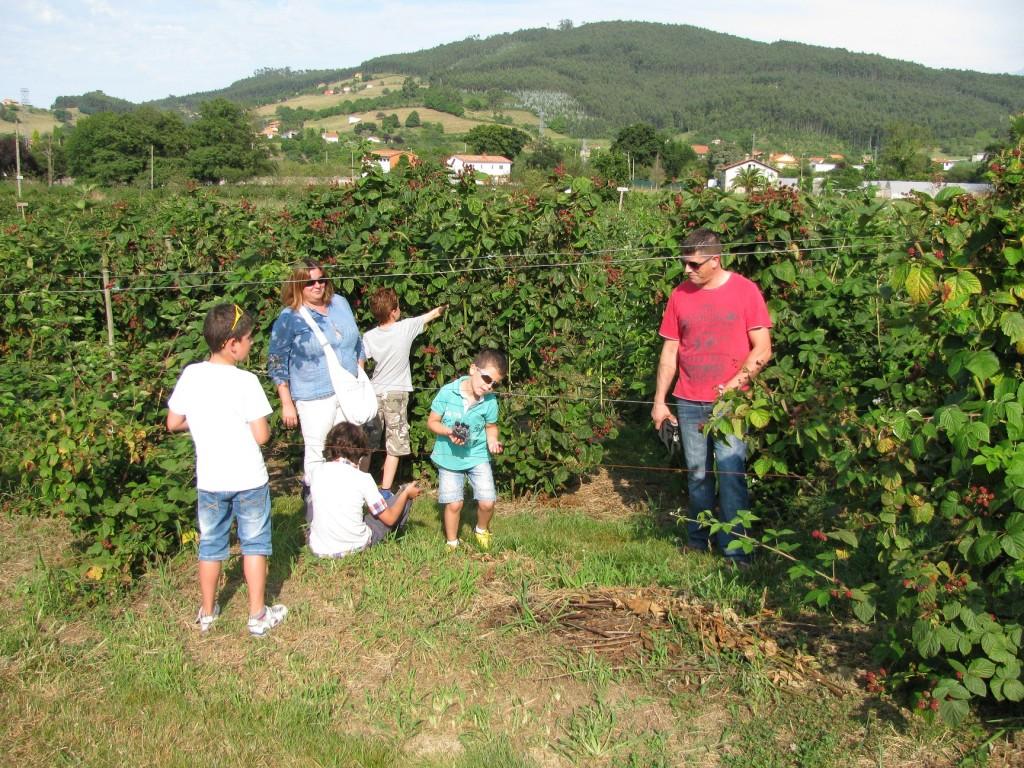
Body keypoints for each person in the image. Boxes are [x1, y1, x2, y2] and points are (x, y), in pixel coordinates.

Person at [651, 229, 772, 566]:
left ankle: (736, 551)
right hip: (688, 401)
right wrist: (660, 400)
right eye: (684, 263)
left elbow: (763, 349)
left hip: (731, 405)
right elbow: (670, 351)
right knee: (697, 473)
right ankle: (697, 542)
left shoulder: (746, 292)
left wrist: (734, 386)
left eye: (693, 264)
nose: (687, 270)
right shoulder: (680, 295)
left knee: (731, 474)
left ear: (715, 260)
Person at [167, 303, 288, 636]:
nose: (251, 344)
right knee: (255, 545)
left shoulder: (191, 374)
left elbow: (173, 421)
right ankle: (257, 614)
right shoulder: (246, 381)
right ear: (232, 343)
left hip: (211, 479)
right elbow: (261, 435)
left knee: (211, 544)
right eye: (248, 338)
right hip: (249, 478)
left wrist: (205, 422)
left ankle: (207, 612)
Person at [268, 261, 368, 494]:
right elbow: (277, 359)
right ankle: (316, 507)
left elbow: (357, 342)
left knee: (349, 451)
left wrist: (359, 371)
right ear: (297, 285)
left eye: (321, 279)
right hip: (314, 394)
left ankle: (346, 503)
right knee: (318, 452)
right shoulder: (289, 317)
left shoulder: (340, 303)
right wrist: (286, 402)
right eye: (309, 282)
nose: (317, 285)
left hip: (348, 391)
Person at [362, 286, 446, 491]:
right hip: (396, 394)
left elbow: (360, 363)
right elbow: (431, 315)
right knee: (395, 445)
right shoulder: (405, 327)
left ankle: (358, 483)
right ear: (393, 312)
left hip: (373, 393)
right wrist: (444, 306)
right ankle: (385, 489)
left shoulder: (369, 336)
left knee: (366, 444)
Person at [427, 349, 507, 550]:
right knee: (454, 504)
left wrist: (492, 441)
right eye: (487, 378)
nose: (488, 386)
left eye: (494, 383)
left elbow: (491, 426)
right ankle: (452, 542)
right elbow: (432, 422)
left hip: (477, 455)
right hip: (449, 457)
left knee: (487, 502)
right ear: (473, 369)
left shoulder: (489, 401)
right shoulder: (448, 391)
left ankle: (481, 530)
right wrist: (448, 432)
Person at [308, 422, 422, 558]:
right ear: (360, 451)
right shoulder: (363, 478)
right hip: (355, 546)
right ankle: (395, 537)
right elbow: (390, 519)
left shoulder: (315, 472)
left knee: (309, 497)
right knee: (401, 499)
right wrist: (406, 493)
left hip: (319, 548)